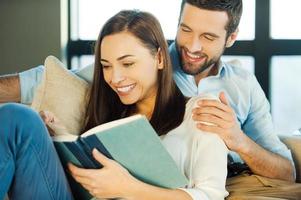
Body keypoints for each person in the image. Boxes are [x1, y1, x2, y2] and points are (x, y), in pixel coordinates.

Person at [1, 0, 301, 199]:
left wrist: (236, 139)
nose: (192, 46)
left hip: (218, 177)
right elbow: (41, 79)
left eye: (208, 37)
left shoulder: (218, 100)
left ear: (231, 38)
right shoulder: (117, 92)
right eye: (185, 30)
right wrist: (56, 136)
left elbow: (284, 171)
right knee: (19, 118)